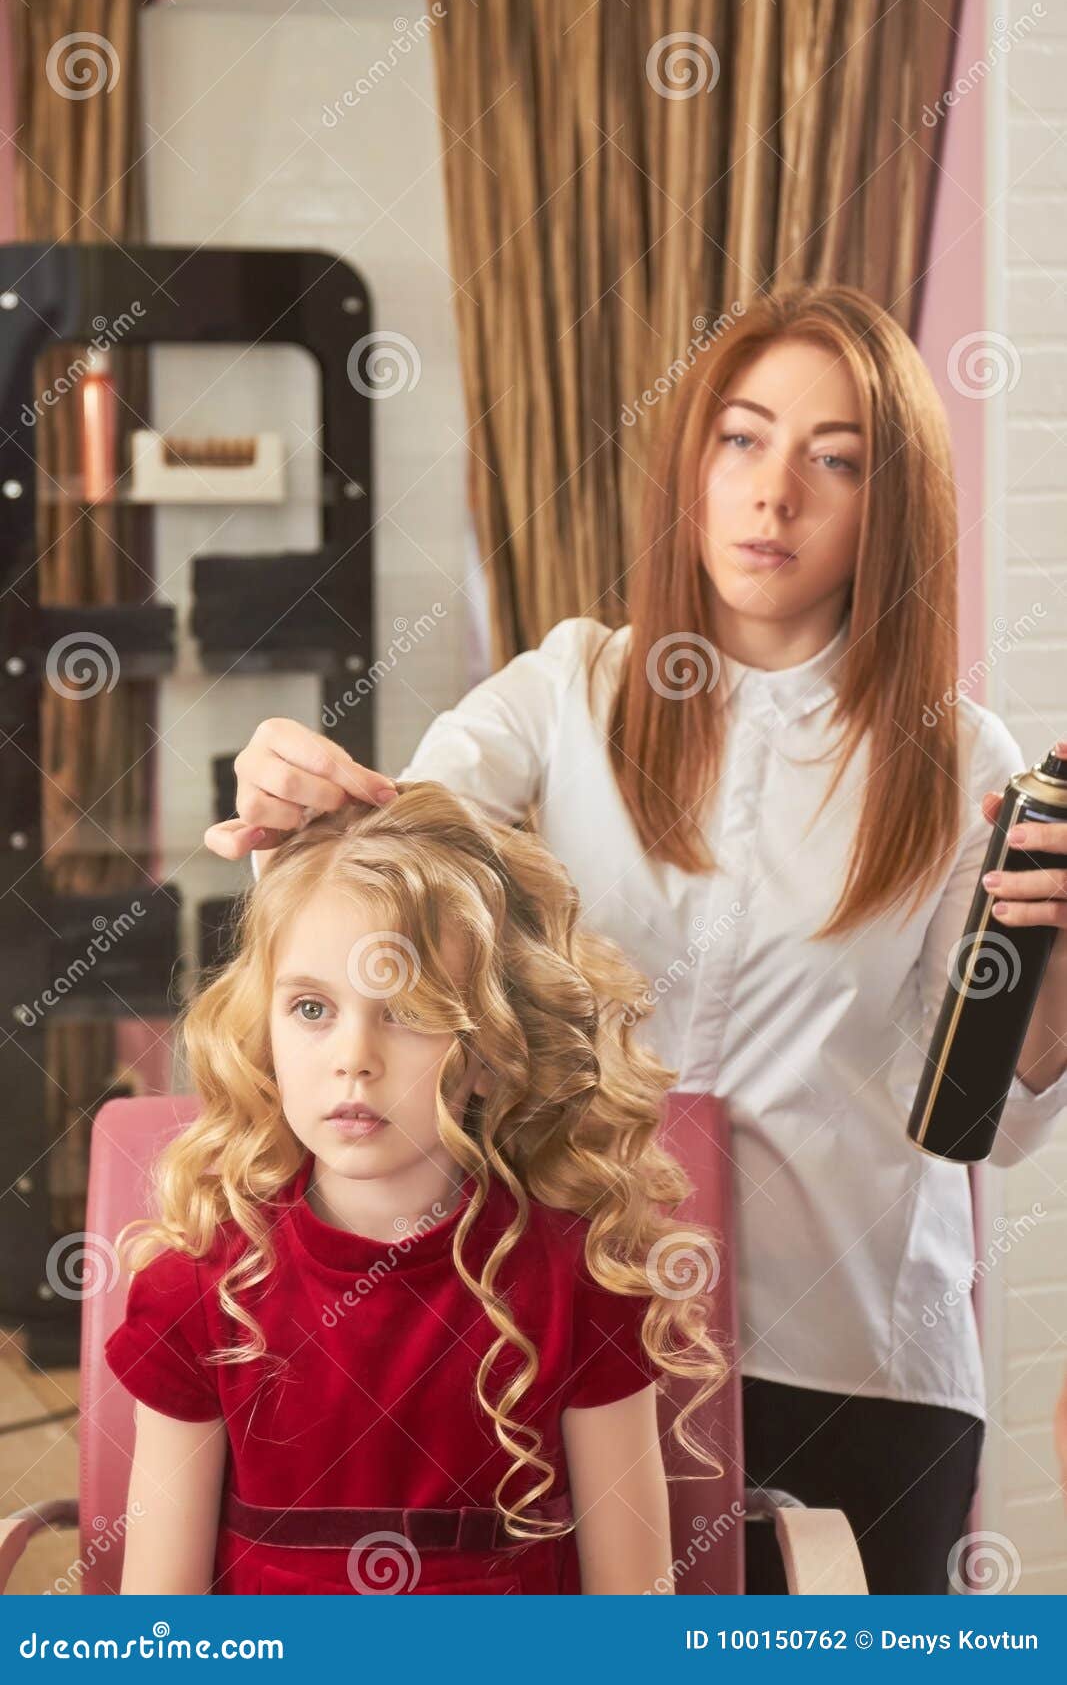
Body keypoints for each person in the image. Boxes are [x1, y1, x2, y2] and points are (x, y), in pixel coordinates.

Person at [207, 284, 1067, 1594]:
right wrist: (296, 806)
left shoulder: (958, 765)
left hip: (847, 1361)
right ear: (692, 462)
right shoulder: (563, 696)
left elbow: (985, 1124)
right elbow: (391, 892)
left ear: (888, 508)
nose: (773, 492)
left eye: (832, 460)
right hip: (565, 1332)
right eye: (740, 438)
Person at [105, 782, 727, 1595]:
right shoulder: (197, 1289)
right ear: (263, 1031)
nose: (353, 1057)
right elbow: (160, 1623)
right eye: (310, 1008)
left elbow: (633, 1617)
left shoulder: (582, 1283)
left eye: (405, 1011)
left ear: (485, 1051)